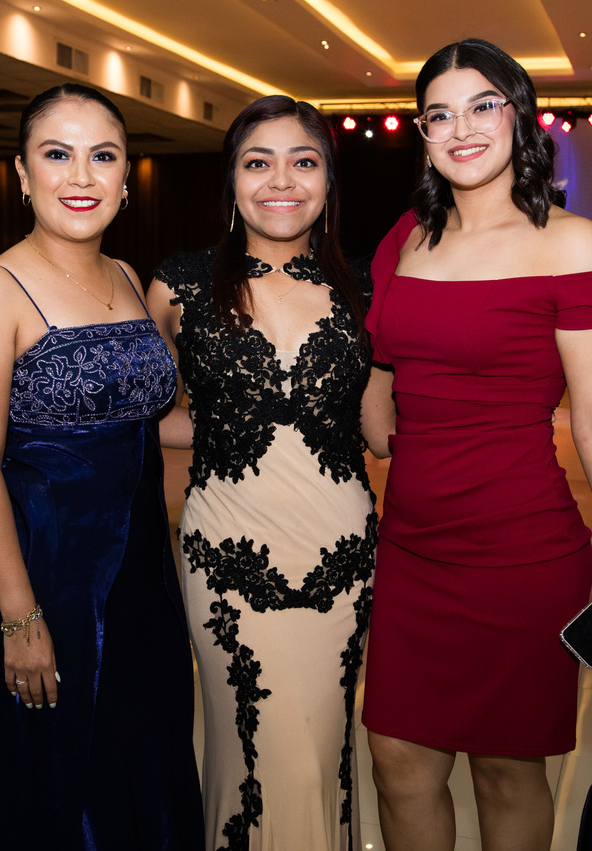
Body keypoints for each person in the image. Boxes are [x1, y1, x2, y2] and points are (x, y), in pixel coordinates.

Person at [359, 39, 592, 851]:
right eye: (439, 114)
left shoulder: (572, 244)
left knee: (506, 772)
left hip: (519, 555)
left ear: (520, 116)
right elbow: (381, 373)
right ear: (422, 133)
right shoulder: (405, 239)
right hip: (411, 551)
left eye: (482, 106)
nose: (461, 128)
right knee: (396, 760)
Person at [0, 83, 203, 850]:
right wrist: (21, 618)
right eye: (58, 154)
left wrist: (263, 425)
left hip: (141, 575)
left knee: (138, 761)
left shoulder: (125, 273)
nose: (81, 176)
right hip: (45, 577)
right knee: (56, 780)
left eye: (103, 156)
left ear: (126, 177)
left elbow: (142, 423)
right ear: (23, 173)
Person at [146, 96, 377, 850]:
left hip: (339, 554)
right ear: (232, 181)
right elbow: (149, 417)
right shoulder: (178, 284)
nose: (281, 180)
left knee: (318, 750)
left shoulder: (367, 286)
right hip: (227, 554)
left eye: (303, 162)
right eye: (258, 162)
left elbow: (379, 428)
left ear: (328, 182)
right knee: (249, 747)